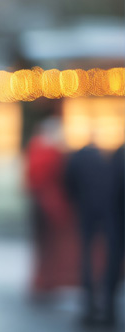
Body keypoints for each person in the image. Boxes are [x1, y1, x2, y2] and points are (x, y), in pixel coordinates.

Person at [64, 134, 125, 326]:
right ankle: (105, 308)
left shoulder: (85, 156)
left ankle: (94, 307)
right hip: (113, 215)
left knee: (92, 259)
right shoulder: (117, 154)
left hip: (95, 212)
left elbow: (69, 184)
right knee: (107, 262)